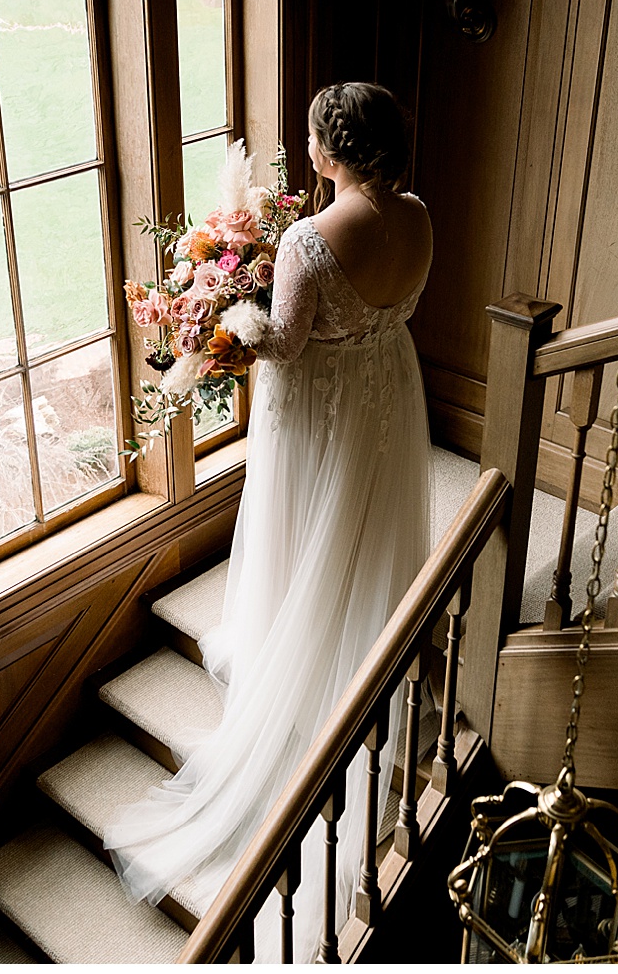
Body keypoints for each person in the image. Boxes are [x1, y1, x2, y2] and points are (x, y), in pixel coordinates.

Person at [104, 82, 433, 957]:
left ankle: (303, 647)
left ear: (332, 151)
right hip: (388, 386)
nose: (308, 148)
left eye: (315, 139)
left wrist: (226, 318)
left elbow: (284, 342)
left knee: (303, 520)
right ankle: (370, 631)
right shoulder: (421, 217)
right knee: (363, 515)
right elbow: (393, 310)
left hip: (320, 401)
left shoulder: (306, 239)